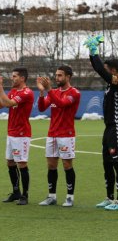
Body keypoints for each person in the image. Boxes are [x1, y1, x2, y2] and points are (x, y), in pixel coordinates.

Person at [37, 66, 80, 207]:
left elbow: (61, 104)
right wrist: (42, 93)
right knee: (51, 164)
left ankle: (70, 197)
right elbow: (42, 108)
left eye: (60, 75)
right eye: (56, 75)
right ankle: (51, 196)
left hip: (66, 135)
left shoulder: (74, 93)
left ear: (68, 77)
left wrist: (49, 89)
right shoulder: (54, 92)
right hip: (52, 134)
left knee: (67, 165)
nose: (57, 78)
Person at [84, 35, 118, 210]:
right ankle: (109, 197)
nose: (105, 72)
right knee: (106, 162)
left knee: (117, 162)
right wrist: (92, 53)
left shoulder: (117, 81)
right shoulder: (111, 85)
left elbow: (99, 70)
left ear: (113, 71)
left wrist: (94, 51)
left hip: (117, 128)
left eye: (107, 70)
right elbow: (99, 69)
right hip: (109, 128)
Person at [0, 68, 34, 205]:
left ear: (22, 78)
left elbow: (9, 103)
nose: (12, 78)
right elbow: (0, 105)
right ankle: (16, 192)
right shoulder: (13, 91)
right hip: (11, 132)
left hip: (22, 134)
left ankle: (25, 195)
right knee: (10, 162)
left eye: (15, 76)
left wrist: (0, 86)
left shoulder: (27, 92)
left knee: (21, 163)